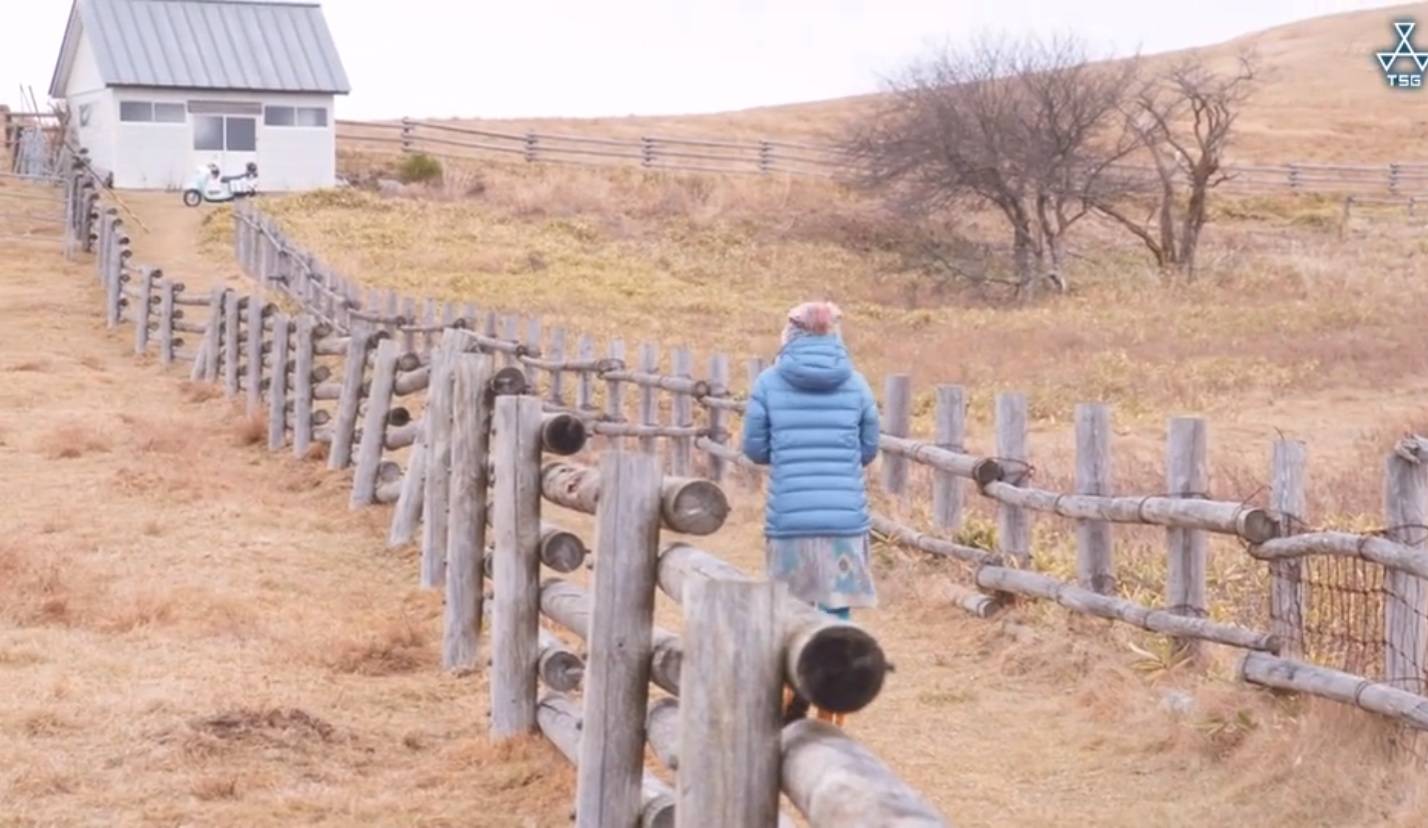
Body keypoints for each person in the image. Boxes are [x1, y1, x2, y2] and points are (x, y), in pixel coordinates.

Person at [742, 301, 880, 726]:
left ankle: (789, 701)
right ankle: (831, 714)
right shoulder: (856, 383)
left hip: (791, 523)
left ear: (791, 334)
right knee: (836, 615)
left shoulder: (768, 383)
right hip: (844, 522)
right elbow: (868, 448)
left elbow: (755, 448)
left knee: (789, 613)